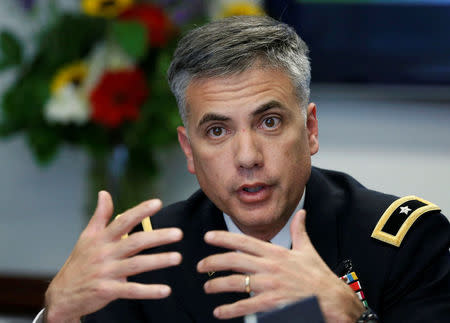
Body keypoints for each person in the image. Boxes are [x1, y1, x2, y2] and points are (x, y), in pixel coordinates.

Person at [36, 16, 449, 323]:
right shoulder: (147, 257)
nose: (248, 156)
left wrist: (354, 319)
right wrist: (55, 316)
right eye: (217, 131)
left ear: (309, 129)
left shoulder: (406, 244)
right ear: (189, 150)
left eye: (269, 122)